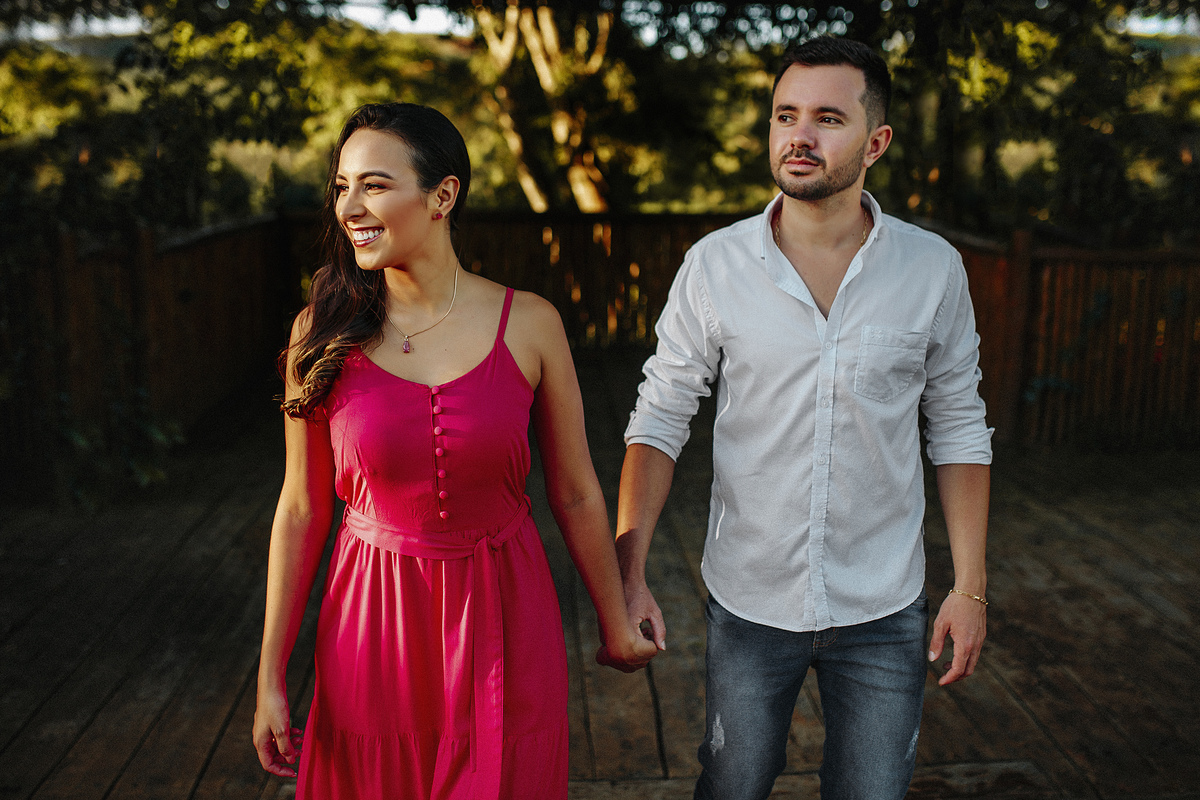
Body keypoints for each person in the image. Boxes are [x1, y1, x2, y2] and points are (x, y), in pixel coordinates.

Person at [614, 37, 993, 800]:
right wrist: (627, 573)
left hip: (885, 604)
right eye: (786, 115)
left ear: (875, 141)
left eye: (827, 118)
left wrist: (971, 585)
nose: (800, 136)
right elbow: (659, 420)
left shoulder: (932, 269)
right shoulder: (714, 266)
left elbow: (957, 426)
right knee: (733, 783)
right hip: (749, 600)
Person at [252, 102, 658, 800]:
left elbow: (575, 490)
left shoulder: (530, 324)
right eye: (342, 186)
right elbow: (300, 509)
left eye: (374, 184)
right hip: (371, 627)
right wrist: (269, 677)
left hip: (507, 609)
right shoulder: (321, 330)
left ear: (443, 195)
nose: (350, 205)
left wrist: (616, 619)